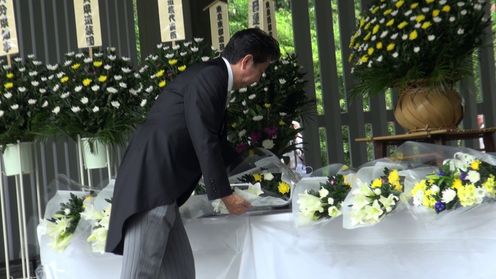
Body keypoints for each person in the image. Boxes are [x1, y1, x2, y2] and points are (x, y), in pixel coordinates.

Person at [105, 28, 280, 279]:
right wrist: (225, 195)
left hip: (163, 185)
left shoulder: (211, 76)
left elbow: (216, 143)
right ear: (247, 61)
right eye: (261, 71)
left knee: (181, 272)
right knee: (139, 274)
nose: (259, 79)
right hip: (154, 183)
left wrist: (257, 170)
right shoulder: (211, 77)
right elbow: (204, 139)